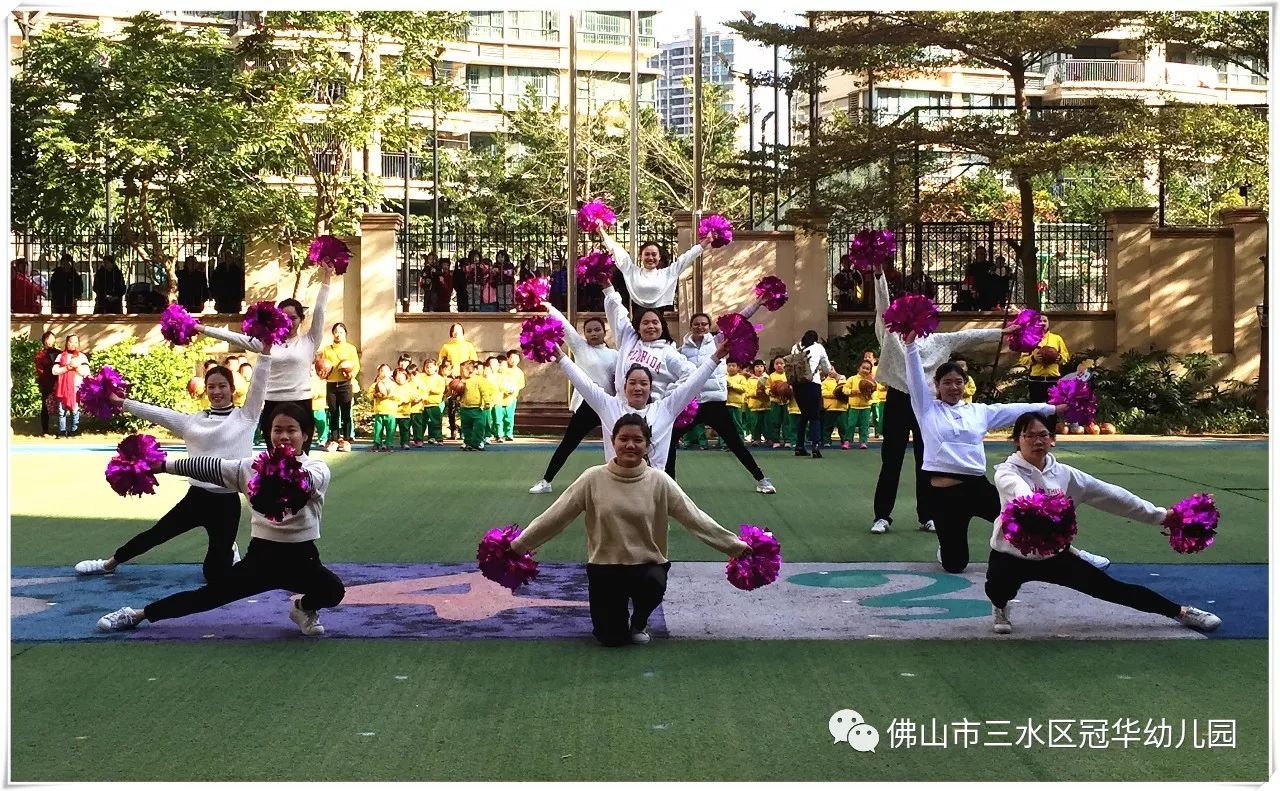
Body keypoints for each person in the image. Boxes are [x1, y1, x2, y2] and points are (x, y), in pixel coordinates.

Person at [95, 403, 345, 637]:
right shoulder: (250, 467)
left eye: (292, 430)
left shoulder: (317, 468)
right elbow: (209, 466)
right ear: (268, 433)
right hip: (261, 559)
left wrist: (285, 475)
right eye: (277, 430)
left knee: (333, 591)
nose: (283, 436)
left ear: (306, 435)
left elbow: (306, 482)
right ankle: (137, 614)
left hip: (302, 559)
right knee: (206, 597)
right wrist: (161, 465)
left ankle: (302, 607)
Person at [510, 414, 752, 646]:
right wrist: (518, 546)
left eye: (638, 440)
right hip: (605, 568)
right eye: (623, 439)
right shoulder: (592, 478)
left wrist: (737, 548)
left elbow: (696, 519)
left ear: (647, 446)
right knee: (610, 639)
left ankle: (639, 621)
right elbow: (555, 516)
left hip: (647, 566)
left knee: (652, 582)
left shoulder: (660, 481)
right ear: (613, 441)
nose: (630, 445)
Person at [985, 412, 1220, 635]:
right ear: (1017, 440)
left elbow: (1112, 496)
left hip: (1055, 557)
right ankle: (1000, 607)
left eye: (1043, 434)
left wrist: (1160, 516)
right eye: (1029, 435)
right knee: (997, 588)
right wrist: (1034, 505)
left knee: (1113, 589)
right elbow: (1018, 490)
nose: (1037, 441)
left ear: (1053, 440)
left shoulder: (1066, 475)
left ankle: (1182, 612)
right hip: (1010, 556)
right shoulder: (1006, 472)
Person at [75, 355, 271, 579]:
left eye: (222, 386)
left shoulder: (246, 417)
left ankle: (227, 549)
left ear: (232, 388)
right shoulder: (193, 421)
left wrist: (265, 353)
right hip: (197, 498)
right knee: (156, 534)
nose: (217, 391)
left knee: (216, 576)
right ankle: (109, 563)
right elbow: (157, 413)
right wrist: (122, 402)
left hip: (227, 503)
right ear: (205, 390)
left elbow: (260, 382)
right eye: (211, 387)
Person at [902, 328, 1074, 574]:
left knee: (1029, 519)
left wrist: (1053, 409)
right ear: (937, 386)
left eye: (958, 382)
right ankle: (946, 547)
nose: (953, 387)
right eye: (947, 383)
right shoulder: (927, 409)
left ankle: (1069, 555)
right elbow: (915, 378)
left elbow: (1016, 409)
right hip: (944, 495)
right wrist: (910, 347)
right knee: (955, 565)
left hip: (977, 487)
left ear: (965, 384)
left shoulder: (979, 412)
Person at [869, 259, 1010, 536]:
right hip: (898, 400)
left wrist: (1003, 333)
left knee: (928, 459)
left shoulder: (940, 341)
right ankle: (882, 515)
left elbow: (970, 336)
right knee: (891, 459)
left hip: (929, 407)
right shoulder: (891, 335)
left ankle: (928, 514)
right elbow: (882, 304)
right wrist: (878, 273)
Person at [195, 264, 332, 452]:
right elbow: (235, 337)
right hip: (272, 403)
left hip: (301, 402)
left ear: (301, 319)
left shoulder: (310, 341)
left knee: (300, 457)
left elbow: (320, 311)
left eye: (293, 318)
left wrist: (327, 276)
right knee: (274, 457)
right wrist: (202, 329)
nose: (289, 322)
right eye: (284, 317)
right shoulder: (266, 343)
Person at [555, 335, 728, 474]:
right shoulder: (609, 407)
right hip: (615, 483)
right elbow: (585, 384)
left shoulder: (665, 409)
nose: (638, 387)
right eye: (632, 383)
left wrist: (715, 358)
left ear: (650, 388)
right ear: (624, 386)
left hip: (653, 487)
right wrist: (561, 359)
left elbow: (691, 386)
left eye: (643, 383)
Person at [669, 311, 776, 493]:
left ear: (709, 326)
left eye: (704, 324)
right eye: (696, 324)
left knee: (735, 443)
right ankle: (669, 482)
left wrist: (758, 302)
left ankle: (761, 479)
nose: (700, 327)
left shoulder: (718, 341)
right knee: (670, 440)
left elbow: (739, 318)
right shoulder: (682, 350)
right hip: (692, 404)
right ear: (691, 326)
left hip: (715, 404)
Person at [530, 311, 619, 494]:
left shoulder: (615, 355)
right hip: (586, 406)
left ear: (604, 331)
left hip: (609, 405)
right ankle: (546, 481)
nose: (593, 333)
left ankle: (621, 481)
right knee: (568, 443)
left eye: (597, 330)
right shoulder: (580, 348)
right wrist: (550, 308)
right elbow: (566, 328)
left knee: (617, 444)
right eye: (589, 331)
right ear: (584, 334)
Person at [596, 220, 715, 314]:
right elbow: (617, 250)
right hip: (638, 324)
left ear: (659, 258)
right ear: (641, 257)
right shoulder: (631, 271)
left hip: (659, 326)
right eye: (647, 254)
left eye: (654, 255)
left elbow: (687, 257)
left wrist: (706, 242)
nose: (650, 258)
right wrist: (601, 231)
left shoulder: (667, 273)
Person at [601, 283, 695, 398]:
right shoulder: (630, 342)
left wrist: (668, 398)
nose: (651, 326)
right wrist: (608, 289)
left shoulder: (668, 353)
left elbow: (691, 373)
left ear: (662, 327)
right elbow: (617, 314)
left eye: (655, 322)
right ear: (638, 329)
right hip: (623, 409)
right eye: (645, 323)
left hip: (652, 411)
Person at [788, 330, 832, 458]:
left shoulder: (795, 347)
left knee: (804, 414)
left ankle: (799, 446)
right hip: (813, 384)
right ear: (816, 339)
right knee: (815, 416)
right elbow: (827, 368)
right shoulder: (819, 347)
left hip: (797, 385)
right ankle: (815, 446)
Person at [320, 322, 360, 452]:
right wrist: (322, 373)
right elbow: (323, 365)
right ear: (333, 333)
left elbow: (356, 365)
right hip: (331, 384)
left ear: (345, 334)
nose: (338, 334)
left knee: (346, 413)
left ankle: (347, 440)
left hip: (345, 384)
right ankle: (334, 440)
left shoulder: (351, 348)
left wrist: (351, 375)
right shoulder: (327, 349)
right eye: (336, 331)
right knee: (333, 413)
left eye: (341, 332)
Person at [1021, 315, 1070, 403]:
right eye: (1040, 321)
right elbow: (1023, 360)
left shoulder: (1057, 338)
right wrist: (1033, 358)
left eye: (1045, 321)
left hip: (1053, 379)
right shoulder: (1029, 339)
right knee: (1036, 409)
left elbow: (1066, 356)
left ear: (1048, 323)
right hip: (1036, 380)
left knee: (1053, 408)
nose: (1042, 323)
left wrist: (1060, 358)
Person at [50, 334, 90, 438]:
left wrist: (76, 367)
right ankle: (62, 431)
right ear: (66, 343)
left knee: (75, 408)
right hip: (62, 388)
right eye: (71, 342)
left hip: (75, 387)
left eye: (76, 342)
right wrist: (68, 367)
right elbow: (54, 371)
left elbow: (86, 372)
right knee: (61, 411)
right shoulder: (60, 356)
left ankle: (74, 430)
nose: (73, 344)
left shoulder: (82, 357)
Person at [458, 359, 496, 451]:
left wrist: (487, 402)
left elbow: (484, 392)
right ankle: (468, 442)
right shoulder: (461, 381)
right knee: (466, 427)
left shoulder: (479, 380)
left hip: (477, 408)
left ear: (470, 370)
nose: (461, 373)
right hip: (464, 408)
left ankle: (477, 442)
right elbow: (456, 393)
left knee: (479, 426)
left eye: (462, 371)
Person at [844, 359, 877, 449]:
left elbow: (874, 391)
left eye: (868, 369)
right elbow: (845, 390)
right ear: (858, 368)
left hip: (866, 406)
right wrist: (853, 391)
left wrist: (869, 392)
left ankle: (863, 442)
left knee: (864, 425)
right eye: (863, 368)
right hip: (854, 406)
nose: (865, 370)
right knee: (851, 424)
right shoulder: (852, 378)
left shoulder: (871, 381)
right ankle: (847, 441)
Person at [366, 364, 397, 452]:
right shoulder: (375, 385)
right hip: (379, 411)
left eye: (386, 371)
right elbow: (369, 396)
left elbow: (398, 396)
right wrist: (375, 395)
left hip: (390, 411)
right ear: (379, 373)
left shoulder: (393, 385)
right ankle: (376, 443)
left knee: (390, 429)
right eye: (382, 371)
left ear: (390, 372)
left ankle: (389, 444)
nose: (384, 373)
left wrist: (390, 395)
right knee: (378, 429)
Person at [34, 332, 60, 436]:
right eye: (48, 339)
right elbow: (40, 370)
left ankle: (61, 429)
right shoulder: (40, 355)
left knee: (61, 407)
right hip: (46, 383)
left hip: (59, 382)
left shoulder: (59, 353)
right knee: (45, 407)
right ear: (44, 340)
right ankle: (45, 431)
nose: (50, 341)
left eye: (52, 338)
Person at [821, 366, 850, 449]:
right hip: (830, 408)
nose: (830, 371)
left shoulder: (843, 379)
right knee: (828, 426)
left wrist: (842, 393)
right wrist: (834, 394)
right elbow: (823, 393)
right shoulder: (825, 382)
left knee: (843, 426)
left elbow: (846, 390)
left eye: (832, 369)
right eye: (828, 370)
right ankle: (826, 441)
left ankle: (844, 441)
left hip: (842, 407)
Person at [744, 359, 770, 446]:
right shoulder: (750, 380)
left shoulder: (768, 378)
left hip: (766, 406)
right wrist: (756, 392)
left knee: (767, 424)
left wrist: (766, 392)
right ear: (753, 368)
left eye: (761, 366)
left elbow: (770, 389)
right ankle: (756, 439)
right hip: (754, 406)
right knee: (755, 424)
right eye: (757, 366)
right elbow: (747, 392)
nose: (759, 368)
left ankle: (768, 438)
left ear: (764, 368)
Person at [500, 350, 525, 442]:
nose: (513, 360)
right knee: (498, 416)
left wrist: (513, 390)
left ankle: (508, 433)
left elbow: (521, 384)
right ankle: (499, 434)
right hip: (499, 398)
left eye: (516, 358)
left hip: (511, 398)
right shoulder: (502, 370)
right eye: (511, 358)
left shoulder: (519, 372)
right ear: (507, 358)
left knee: (509, 416)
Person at [766, 356, 790, 449]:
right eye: (777, 363)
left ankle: (787, 440)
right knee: (775, 422)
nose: (779, 365)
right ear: (774, 365)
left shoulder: (788, 375)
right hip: (775, 402)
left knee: (787, 422)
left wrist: (788, 391)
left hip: (786, 402)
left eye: (781, 363)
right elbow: (767, 388)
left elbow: (791, 387)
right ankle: (776, 441)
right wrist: (770, 392)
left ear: (785, 364)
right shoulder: (771, 376)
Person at [392, 368, 415, 450]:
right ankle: (388, 442)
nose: (400, 379)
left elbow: (412, 396)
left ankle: (405, 442)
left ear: (406, 377)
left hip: (405, 413)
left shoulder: (409, 386)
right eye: (397, 376)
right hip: (393, 413)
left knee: (405, 429)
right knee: (391, 429)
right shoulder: (392, 386)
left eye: (402, 376)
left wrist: (404, 400)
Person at [310, 357, 330, 449]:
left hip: (319, 405)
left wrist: (315, 394)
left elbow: (322, 393)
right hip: (309, 405)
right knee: (309, 424)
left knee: (321, 423)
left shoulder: (325, 381)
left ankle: (323, 439)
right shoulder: (312, 378)